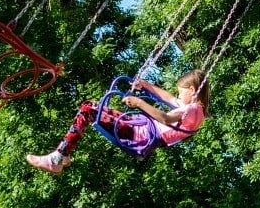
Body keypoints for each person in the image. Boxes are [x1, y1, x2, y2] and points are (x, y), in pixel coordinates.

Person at [26, 69, 209, 174]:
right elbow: (168, 97)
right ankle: (62, 154)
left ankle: (57, 158)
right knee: (89, 107)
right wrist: (145, 85)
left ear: (192, 90)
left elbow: (165, 118)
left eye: (181, 92)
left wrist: (139, 102)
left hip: (139, 134)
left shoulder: (192, 110)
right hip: (138, 129)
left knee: (88, 110)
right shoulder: (193, 109)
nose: (178, 96)